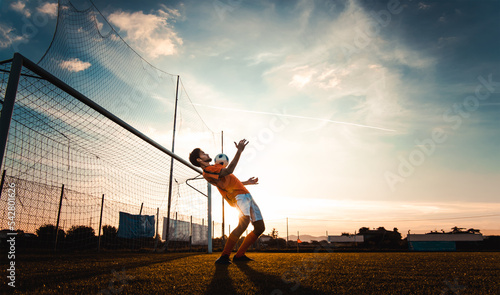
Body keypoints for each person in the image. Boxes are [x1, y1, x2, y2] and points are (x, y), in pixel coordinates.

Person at [189, 139, 265, 264]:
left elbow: (230, 180)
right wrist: (239, 151)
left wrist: (247, 182)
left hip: (246, 195)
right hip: (238, 197)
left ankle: (240, 255)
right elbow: (229, 171)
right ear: (198, 160)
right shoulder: (207, 171)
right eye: (203, 153)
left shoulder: (216, 166)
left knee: (260, 228)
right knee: (243, 223)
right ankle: (224, 256)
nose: (206, 154)